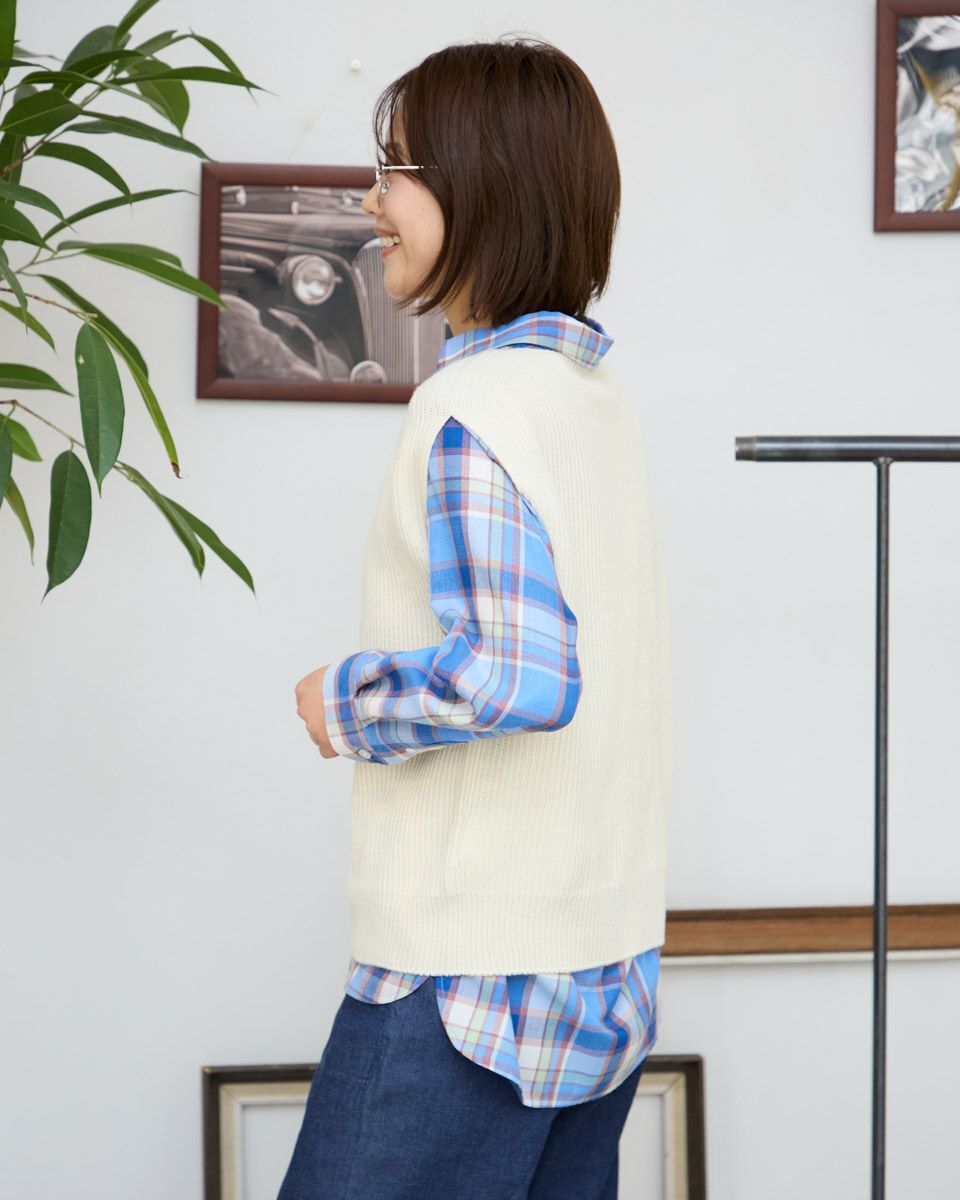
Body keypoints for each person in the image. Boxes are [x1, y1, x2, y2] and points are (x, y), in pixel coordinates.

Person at [284, 34, 673, 1199]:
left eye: (396, 169)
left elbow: (520, 677)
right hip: (601, 969)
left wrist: (345, 701)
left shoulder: (476, 408)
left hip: (469, 990)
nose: (372, 200)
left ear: (482, 185)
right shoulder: (593, 403)